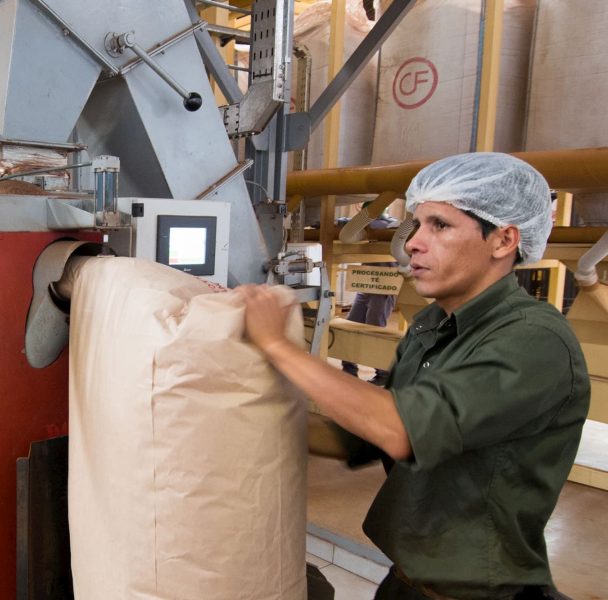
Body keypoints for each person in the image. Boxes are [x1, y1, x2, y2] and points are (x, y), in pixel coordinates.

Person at [239, 152, 590, 600]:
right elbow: (362, 435)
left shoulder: (533, 340)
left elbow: (400, 429)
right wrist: (238, 420)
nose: (414, 244)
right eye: (417, 225)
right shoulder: (431, 325)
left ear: (503, 240)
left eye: (440, 226)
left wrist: (277, 346)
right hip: (406, 582)